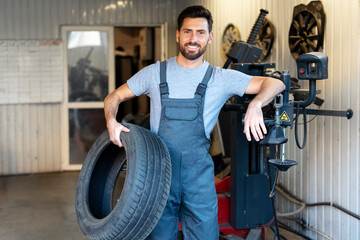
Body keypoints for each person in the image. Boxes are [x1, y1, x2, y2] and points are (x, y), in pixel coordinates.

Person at [104, 5, 285, 240]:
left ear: (210, 37)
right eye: (187, 32)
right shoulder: (154, 73)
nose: (193, 39)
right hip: (159, 176)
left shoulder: (220, 78)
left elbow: (275, 84)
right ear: (178, 34)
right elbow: (114, 96)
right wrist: (111, 120)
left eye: (200, 32)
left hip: (198, 179)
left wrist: (256, 104)